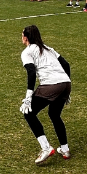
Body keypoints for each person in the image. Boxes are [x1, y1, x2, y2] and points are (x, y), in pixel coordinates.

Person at [19, 25, 72, 164]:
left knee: (29, 113)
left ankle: (46, 148)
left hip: (51, 85)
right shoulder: (48, 48)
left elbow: (31, 72)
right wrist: (66, 88)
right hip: (66, 84)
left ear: (26, 37)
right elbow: (66, 65)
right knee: (54, 114)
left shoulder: (27, 52)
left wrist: (28, 97)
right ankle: (65, 149)